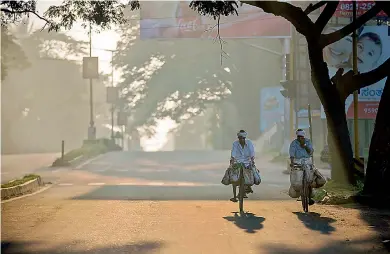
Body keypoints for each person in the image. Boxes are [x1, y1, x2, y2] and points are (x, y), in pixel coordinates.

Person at [289, 129, 315, 205]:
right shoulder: (294, 143)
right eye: (299, 136)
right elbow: (292, 154)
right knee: (297, 177)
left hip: (307, 161)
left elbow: (311, 152)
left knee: (310, 179)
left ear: (304, 136)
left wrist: (304, 146)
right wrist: (292, 162)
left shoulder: (308, 142)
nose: (300, 138)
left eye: (301, 137)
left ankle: (309, 197)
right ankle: (299, 191)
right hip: (297, 161)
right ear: (297, 136)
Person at [229, 130, 255, 202]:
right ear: (238, 138)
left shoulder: (249, 143)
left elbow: (252, 153)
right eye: (240, 138)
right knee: (232, 175)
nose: (241, 140)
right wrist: (232, 161)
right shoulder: (235, 144)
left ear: (245, 138)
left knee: (253, 174)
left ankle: (248, 186)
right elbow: (233, 153)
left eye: (243, 138)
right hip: (238, 162)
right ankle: (234, 196)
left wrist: (252, 160)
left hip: (247, 162)